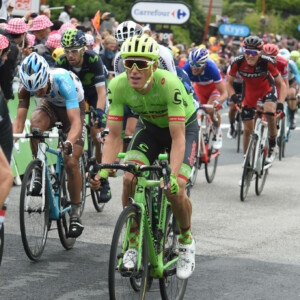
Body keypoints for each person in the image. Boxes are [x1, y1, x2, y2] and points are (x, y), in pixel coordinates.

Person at [90, 35, 196, 280]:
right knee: (129, 177)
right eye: (129, 64)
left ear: (154, 66)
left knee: (176, 188)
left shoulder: (169, 84)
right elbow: (114, 135)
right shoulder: (117, 85)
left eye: (141, 64)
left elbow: (178, 138)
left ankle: (186, 240)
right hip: (149, 128)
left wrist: (172, 175)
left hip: (182, 129)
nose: (134, 70)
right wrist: (103, 172)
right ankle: (133, 243)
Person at [13, 53, 86, 238]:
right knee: (35, 126)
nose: (37, 93)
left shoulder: (63, 81)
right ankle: (38, 169)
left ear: (46, 76)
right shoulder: (25, 87)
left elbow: (75, 122)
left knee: (70, 162)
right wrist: (8, 143)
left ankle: (75, 214)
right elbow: (19, 123)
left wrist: (69, 142)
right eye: (33, 90)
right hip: (51, 106)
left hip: (73, 108)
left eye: (40, 88)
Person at [57, 29, 111, 202]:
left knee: (97, 132)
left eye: (74, 50)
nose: (70, 55)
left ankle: (104, 178)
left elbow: (101, 92)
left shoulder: (93, 59)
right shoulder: (61, 62)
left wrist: (100, 113)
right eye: (67, 50)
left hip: (93, 94)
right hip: (74, 97)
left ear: (83, 49)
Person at [226, 36, 287, 164]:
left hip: (266, 88)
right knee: (248, 129)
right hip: (249, 91)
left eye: (253, 53)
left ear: (260, 53)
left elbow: (281, 84)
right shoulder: (237, 62)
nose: (250, 56)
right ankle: (246, 159)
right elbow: (229, 83)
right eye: (247, 52)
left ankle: (272, 142)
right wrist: (234, 98)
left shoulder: (267, 61)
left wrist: (280, 104)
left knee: (270, 111)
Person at [182, 47, 228, 149]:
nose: (194, 67)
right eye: (192, 64)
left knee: (210, 109)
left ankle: (217, 131)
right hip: (199, 89)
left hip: (213, 89)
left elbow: (224, 93)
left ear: (204, 64)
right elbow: (180, 88)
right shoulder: (187, 67)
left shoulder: (211, 67)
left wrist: (218, 102)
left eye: (198, 65)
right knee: (195, 113)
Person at [0, 18, 28, 101]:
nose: (5, 57)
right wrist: (8, 95)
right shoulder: (12, 48)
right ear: (22, 35)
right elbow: (6, 74)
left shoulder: (2, 34)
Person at [278, 48, 300, 129]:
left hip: (290, 81)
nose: (283, 63)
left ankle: (292, 117)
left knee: (291, 94)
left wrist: (299, 92)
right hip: (280, 81)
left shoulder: (291, 64)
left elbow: (298, 77)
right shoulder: (275, 63)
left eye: (286, 61)